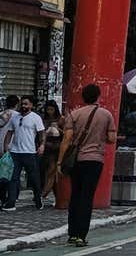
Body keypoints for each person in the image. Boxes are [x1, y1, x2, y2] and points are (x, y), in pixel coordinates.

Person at [58, 84, 116, 247]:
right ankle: (81, 235)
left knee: (75, 195)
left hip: (76, 160)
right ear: (98, 96)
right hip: (95, 159)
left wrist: (60, 161)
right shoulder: (106, 115)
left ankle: (72, 233)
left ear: (83, 97)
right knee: (87, 197)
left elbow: (66, 140)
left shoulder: (74, 114)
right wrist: (99, 137)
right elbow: (112, 138)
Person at [3, 96, 45, 211]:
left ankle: (38, 198)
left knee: (34, 177)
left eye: (26, 104)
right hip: (15, 152)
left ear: (31, 105)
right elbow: (10, 133)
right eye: (22, 104)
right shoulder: (15, 118)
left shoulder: (36, 118)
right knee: (13, 178)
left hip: (29, 152)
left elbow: (41, 133)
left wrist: (42, 145)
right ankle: (11, 203)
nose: (23, 106)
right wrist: (6, 147)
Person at [41, 100, 64, 200]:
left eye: (52, 109)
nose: (50, 111)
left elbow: (66, 134)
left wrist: (58, 129)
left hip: (57, 147)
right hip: (47, 147)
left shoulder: (61, 119)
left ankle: (44, 193)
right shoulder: (43, 119)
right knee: (49, 171)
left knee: (51, 170)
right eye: (48, 109)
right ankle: (55, 194)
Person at [0, 96, 20, 206]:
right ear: (17, 104)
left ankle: (3, 196)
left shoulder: (2, 114)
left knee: (2, 172)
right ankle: (12, 196)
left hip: (1, 147)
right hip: (13, 148)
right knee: (13, 173)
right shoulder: (18, 116)